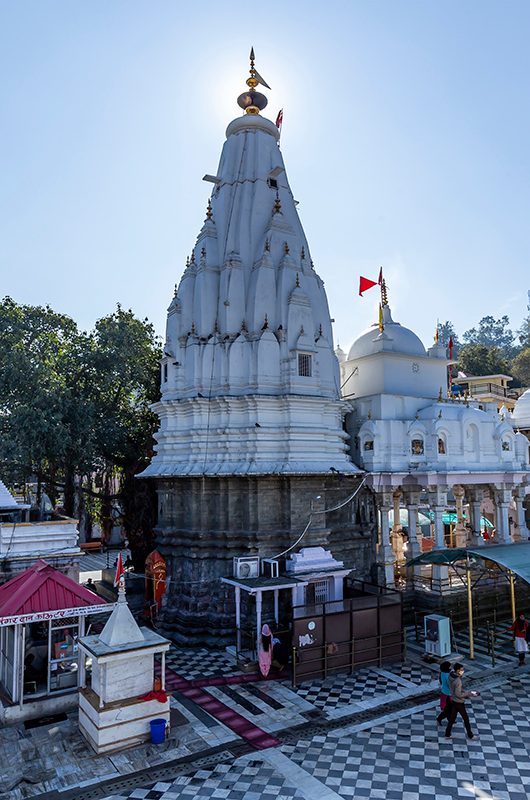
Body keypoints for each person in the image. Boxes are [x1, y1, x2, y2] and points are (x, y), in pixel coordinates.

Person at [444, 663, 477, 740]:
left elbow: (454, 689)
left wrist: (462, 691)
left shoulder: (450, 676)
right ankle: (470, 735)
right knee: (466, 719)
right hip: (459, 702)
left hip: (453, 700)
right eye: (462, 670)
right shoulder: (458, 681)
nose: (463, 671)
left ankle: (447, 734)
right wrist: (468, 694)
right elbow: (458, 694)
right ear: (458, 670)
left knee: (452, 719)